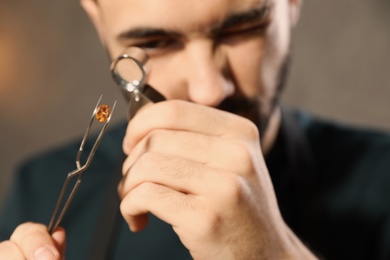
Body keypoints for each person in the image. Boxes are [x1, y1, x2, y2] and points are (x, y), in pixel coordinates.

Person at [0, 0, 389, 259]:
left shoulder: (382, 177)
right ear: (97, 17)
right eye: (155, 41)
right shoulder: (40, 189)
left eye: (242, 28)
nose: (209, 90)